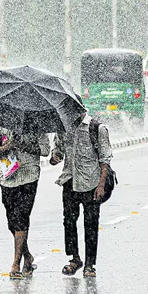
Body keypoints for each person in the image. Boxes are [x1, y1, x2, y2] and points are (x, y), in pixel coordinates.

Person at [51, 111, 113, 278]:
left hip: (91, 183)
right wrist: (55, 157)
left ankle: (90, 264)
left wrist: (101, 185)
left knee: (91, 224)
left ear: (82, 112)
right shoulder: (62, 127)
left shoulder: (96, 128)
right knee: (69, 221)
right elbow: (58, 151)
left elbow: (105, 159)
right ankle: (75, 258)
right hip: (69, 181)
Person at [0, 125, 50, 279]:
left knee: (22, 218)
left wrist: (25, 145)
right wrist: (7, 147)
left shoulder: (36, 122)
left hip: (29, 176)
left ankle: (16, 263)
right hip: (8, 178)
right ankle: (27, 256)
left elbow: (45, 150)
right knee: (12, 223)